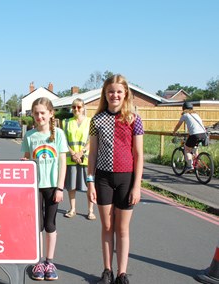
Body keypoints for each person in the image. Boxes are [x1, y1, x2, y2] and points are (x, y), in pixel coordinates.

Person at [87, 74, 144, 284]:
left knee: (122, 228)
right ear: (105, 93)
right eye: (111, 91)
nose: (115, 95)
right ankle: (107, 271)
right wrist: (90, 181)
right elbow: (92, 153)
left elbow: (138, 154)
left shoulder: (134, 119)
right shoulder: (97, 120)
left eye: (119, 91)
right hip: (103, 178)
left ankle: (122, 273)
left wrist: (137, 186)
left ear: (125, 93)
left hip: (126, 179)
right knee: (107, 227)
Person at [21, 97, 68, 281]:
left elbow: (62, 163)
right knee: (37, 226)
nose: (39, 116)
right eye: (36, 113)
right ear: (32, 115)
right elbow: (26, 159)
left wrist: (60, 188)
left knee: (50, 224)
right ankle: (38, 261)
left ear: (50, 114)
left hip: (52, 187)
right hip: (34, 188)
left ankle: (49, 261)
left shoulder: (59, 135)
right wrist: (24, 162)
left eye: (43, 113)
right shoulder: (29, 136)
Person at [62, 98, 96, 220]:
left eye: (79, 107)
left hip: (86, 159)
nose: (76, 109)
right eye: (74, 107)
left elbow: (92, 140)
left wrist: (81, 152)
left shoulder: (90, 121)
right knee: (71, 186)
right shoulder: (66, 122)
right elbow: (64, 140)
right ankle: (72, 209)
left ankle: (90, 211)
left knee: (89, 185)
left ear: (83, 108)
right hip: (71, 158)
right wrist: (73, 153)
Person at [172, 101, 207, 171]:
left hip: (194, 135)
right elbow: (194, 126)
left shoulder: (185, 115)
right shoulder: (196, 114)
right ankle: (197, 163)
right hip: (203, 134)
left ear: (183, 108)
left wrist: (174, 132)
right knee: (195, 147)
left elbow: (178, 125)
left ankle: (190, 166)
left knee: (187, 149)